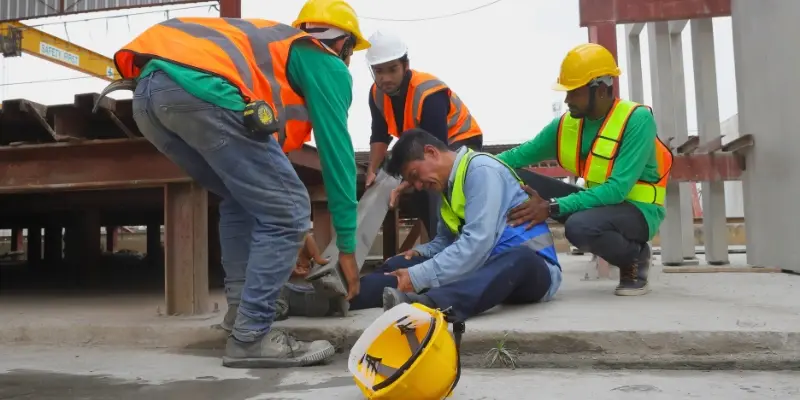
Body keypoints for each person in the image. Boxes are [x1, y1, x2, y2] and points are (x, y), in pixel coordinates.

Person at [109, 0, 370, 368]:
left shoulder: (273, 60)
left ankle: (240, 318)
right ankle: (252, 337)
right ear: (343, 45)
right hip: (200, 90)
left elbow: (264, 186)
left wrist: (301, 236)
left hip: (150, 97)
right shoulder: (324, 61)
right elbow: (337, 156)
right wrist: (347, 247)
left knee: (240, 199)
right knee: (290, 209)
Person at [497, 43, 673, 296]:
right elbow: (515, 157)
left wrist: (551, 206)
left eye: (574, 92)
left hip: (638, 211)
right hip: (599, 204)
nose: (567, 100)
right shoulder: (567, 125)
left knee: (579, 227)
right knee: (515, 176)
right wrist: (467, 165)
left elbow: (617, 190)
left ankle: (634, 257)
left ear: (600, 90)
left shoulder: (637, 120)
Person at [347, 129, 562, 322]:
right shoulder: (447, 188)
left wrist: (418, 275)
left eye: (415, 176)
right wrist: (419, 253)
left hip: (534, 269)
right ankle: (342, 296)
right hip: (482, 265)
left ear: (431, 152)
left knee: (519, 258)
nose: (419, 186)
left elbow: (478, 243)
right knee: (402, 264)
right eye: (412, 183)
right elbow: (445, 242)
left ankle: (428, 304)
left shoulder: (482, 170)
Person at [363, 30, 483, 239]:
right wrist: (372, 170)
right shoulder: (376, 94)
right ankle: (439, 243)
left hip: (459, 140)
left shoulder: (428, 92)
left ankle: (458, 243)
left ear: (405, 65)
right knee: (419, 193)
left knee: (434, 185)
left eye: (392, 70)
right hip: (423, 146)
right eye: (379, 71)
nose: (386, 78)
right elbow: (380, 135)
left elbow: (435, 152)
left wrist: (403, 185)